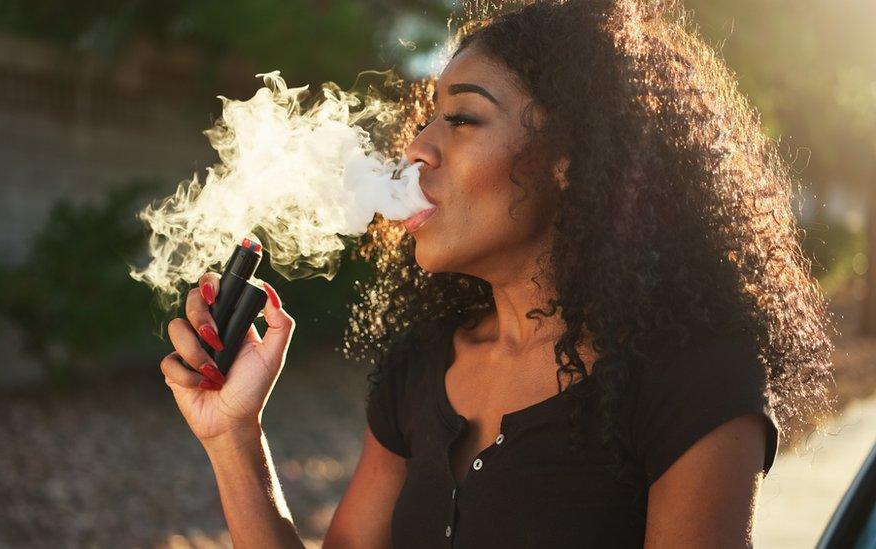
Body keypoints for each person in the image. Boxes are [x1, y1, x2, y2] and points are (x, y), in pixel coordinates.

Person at [160, 0, 835, 547]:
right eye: (428, 118)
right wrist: (234, 434)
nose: (418, 148)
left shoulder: (694, 380)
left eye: (462, 118)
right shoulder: (421, 365)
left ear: (569, 156)